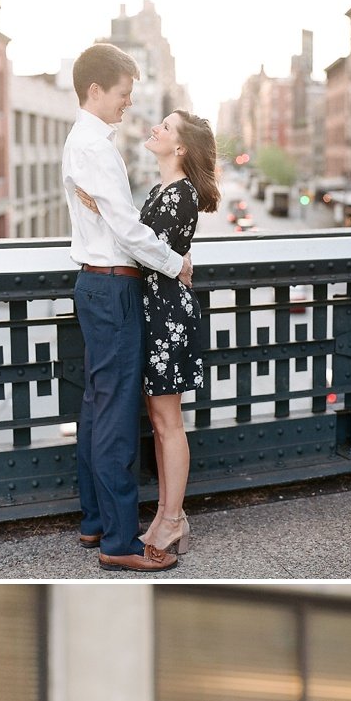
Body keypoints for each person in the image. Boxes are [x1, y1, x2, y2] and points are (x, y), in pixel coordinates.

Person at [61, 43, 192, 572]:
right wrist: (172, 261)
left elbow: (114, 216)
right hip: (113, 289)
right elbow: (124, 225)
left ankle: (95, 521)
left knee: (97, 408)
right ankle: (120, 541)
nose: (127, 103)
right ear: (96, 89)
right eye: (122, 93)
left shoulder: (86, 143)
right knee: (114, 416)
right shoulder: (93, 147)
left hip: (97, 285)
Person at [76, 110, 218, 557]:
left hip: (167, 316)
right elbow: (139, 238)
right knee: (158, 423)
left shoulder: (182, 196)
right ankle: (162, 516)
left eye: (166, 127)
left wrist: (105, 211)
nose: (155, 128)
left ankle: (173, 519)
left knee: (168, 423)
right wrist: (110, 212)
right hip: (152, 312)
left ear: (180, 148)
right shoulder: (162, 190)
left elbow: (139, 246)